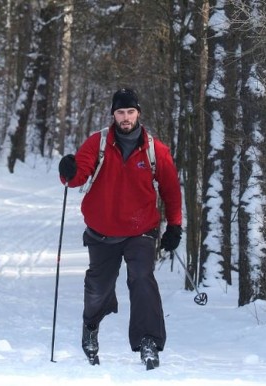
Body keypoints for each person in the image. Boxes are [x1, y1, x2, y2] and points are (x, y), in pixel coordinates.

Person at [58, 88, 182, 369]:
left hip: (141, 230)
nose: (125, 118)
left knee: (141, 277)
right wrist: (68, 170)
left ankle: (149, 342)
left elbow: (172, 191)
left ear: (138, 113)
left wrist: (174, 226)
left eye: (130, 112)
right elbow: (77, 176)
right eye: (120, 112)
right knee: (98, 288)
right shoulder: (98, 143)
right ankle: (90, 325)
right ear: (113, 114)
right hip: (102, 230)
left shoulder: (155, 150)